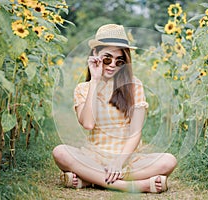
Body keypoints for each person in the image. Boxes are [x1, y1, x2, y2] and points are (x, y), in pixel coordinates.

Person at [52, 24, 177, 193]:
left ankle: (89, 180)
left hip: (127, 159)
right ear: (95, 55)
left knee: (168, 161)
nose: (112, 65)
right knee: (60, 152)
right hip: (94, 158)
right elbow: (87, 124)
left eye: (119, 61)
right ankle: (133, 186)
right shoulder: (83, 88)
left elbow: (135, 132)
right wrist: (95, 80)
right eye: (107, 59)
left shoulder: (134, 86)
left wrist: (118, 162)